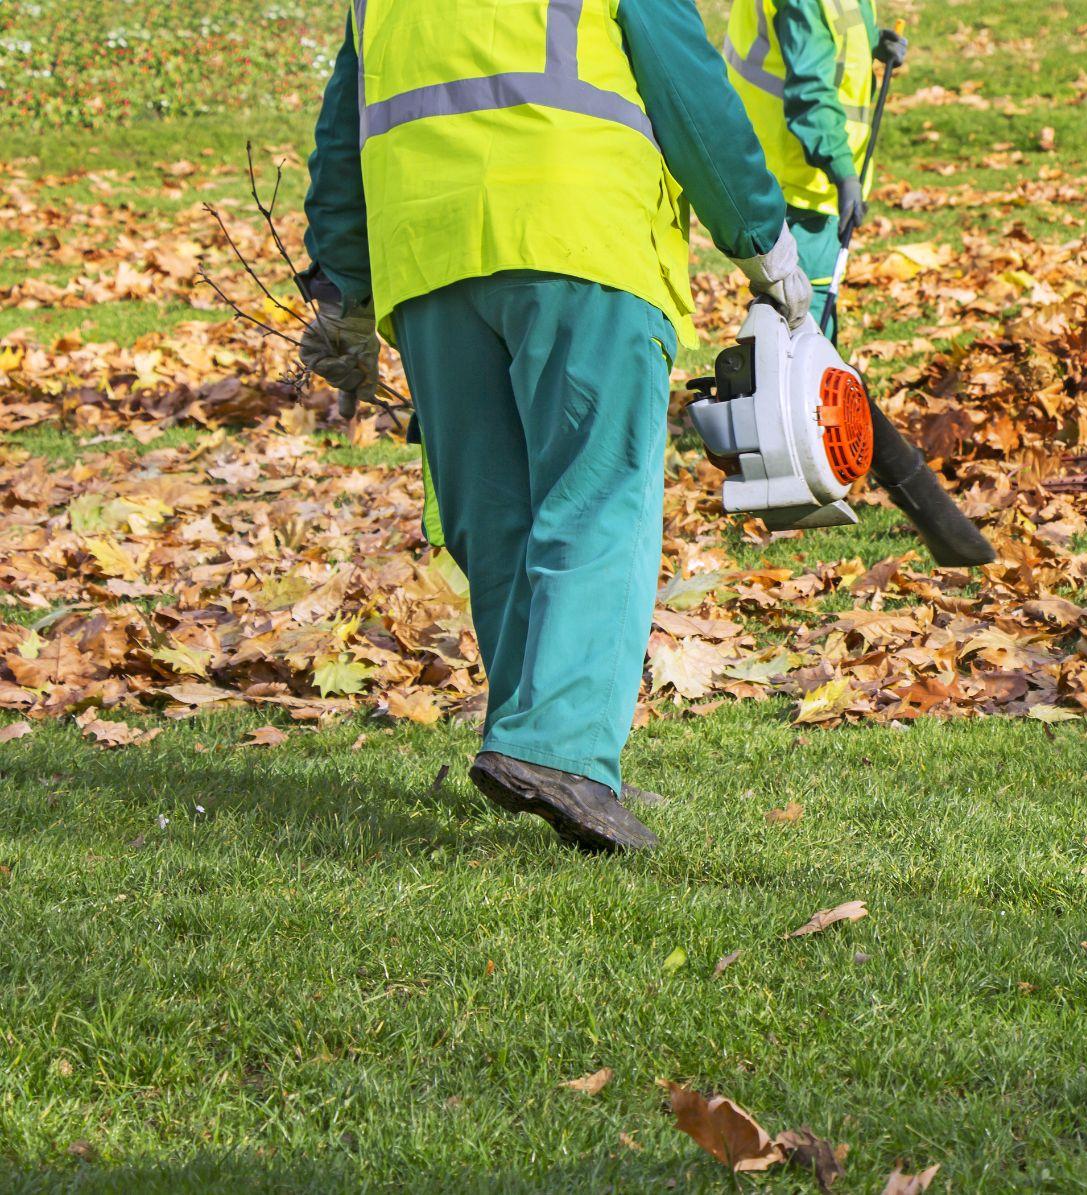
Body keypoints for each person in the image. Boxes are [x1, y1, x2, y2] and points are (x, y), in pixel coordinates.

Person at [295, 0, 816, 853]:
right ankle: (563, 752)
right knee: (596, 496)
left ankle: (527, 741)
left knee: (492, 515)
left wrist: (343, 293)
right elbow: (688, 91)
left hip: (431, 260)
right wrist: (762, 240)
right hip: (582, 236)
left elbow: (343, 133)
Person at [723, 0, 909, 337]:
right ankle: (808, 389)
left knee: (797, 306)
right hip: (796, 177)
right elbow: (811, 93)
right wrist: (842, 171)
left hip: (802, 173)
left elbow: (826, 36)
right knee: (803, 312)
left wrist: (872, 42)